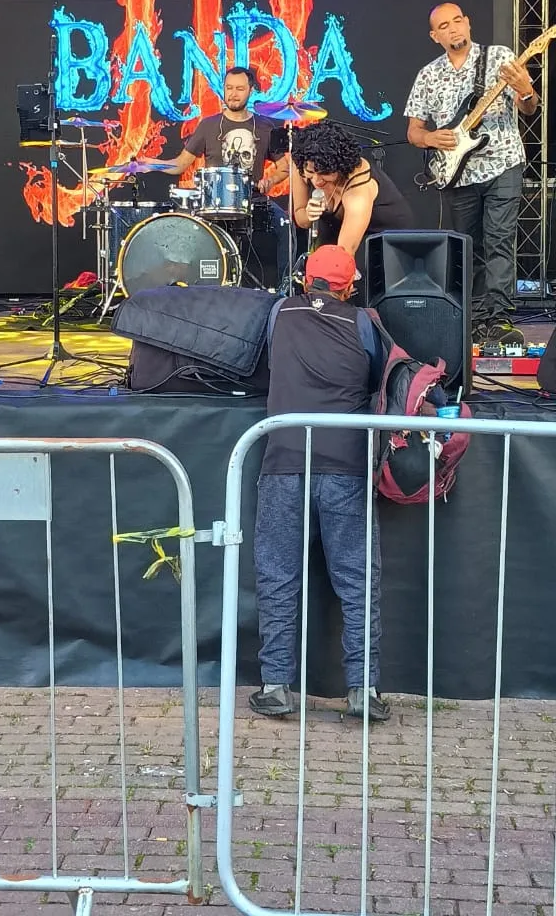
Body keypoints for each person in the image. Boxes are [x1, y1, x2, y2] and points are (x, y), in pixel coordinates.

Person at [250, 244, 390, 722]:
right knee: (357, 579)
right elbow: (380, 376)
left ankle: (275, 686)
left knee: (277, 575)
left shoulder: (278, 313)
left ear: (305, 279)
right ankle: (363, 691)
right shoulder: (364, 322)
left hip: (284, 457)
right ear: (349, 286)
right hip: (345, 461)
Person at [404, 3, 538, 341]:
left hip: (502, 164)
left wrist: (525, 89)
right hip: (458, 173)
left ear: (467, 23)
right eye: (444, 26)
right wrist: (431, 138)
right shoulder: (428, 75)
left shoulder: (499, 57)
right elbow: (413, 131)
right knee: (470, 247)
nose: (453, 28)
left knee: (499, 242)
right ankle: (476, 320)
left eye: (457, 20)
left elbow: (528, 108)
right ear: (435, 36)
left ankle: (500, 318)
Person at [163, 67, 294, 284]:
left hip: (254, 201)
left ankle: (285, 286)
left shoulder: (264, 126)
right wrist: (148, 164)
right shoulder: (209, 125)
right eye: (229, 88)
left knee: (285, 225)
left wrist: (270, 181)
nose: (233, 94)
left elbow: (284, 167)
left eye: (239, 89)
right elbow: (180, 164)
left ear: (251, 90)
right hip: (213, 203)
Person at [290, 120, 413, 297]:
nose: (316, 180)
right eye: (311, 173)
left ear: (340, 167)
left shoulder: (358, 190)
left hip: (382, 237)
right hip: (336, 229)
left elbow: (344, 255)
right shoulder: (302, 165)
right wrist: (309, 214)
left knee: (347, 282)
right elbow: (301, 220)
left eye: (324, 173)